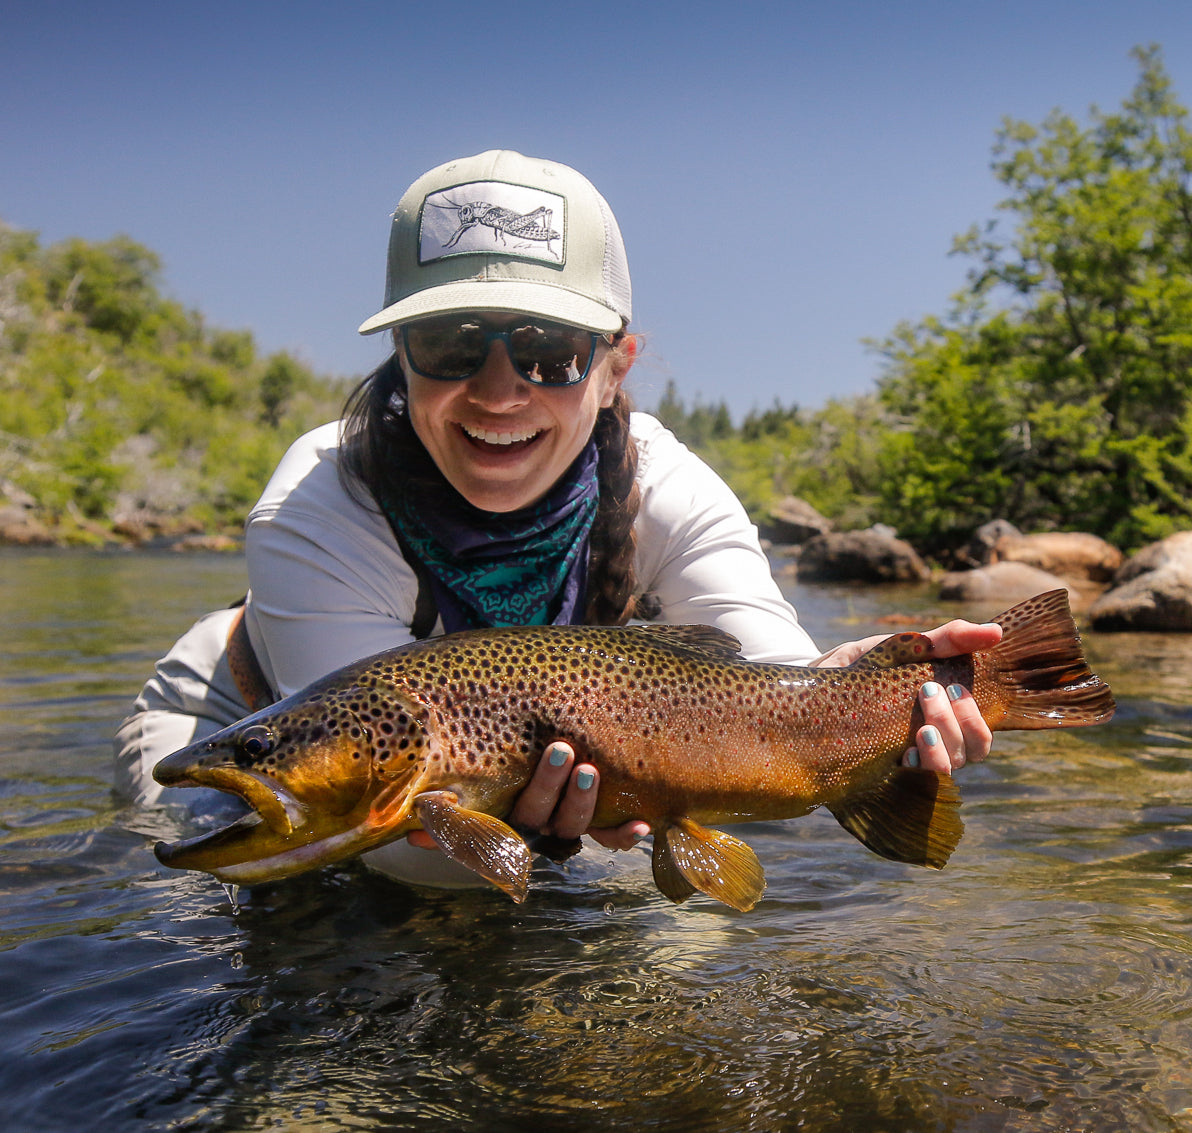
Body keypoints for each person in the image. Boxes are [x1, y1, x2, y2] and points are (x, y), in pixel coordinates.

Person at [114, 149, 999, 889]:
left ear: (616, 366)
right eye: (454, 344)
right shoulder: (313, 506)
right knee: (200, 930)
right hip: (244, 711)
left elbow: (768, 679)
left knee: (661, 945)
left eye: (550, 352)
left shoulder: (668, 488)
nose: (500, 392)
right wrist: (542, 834)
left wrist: (857, 694)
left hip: (507, 770)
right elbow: (387, 837)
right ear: (402, 354)